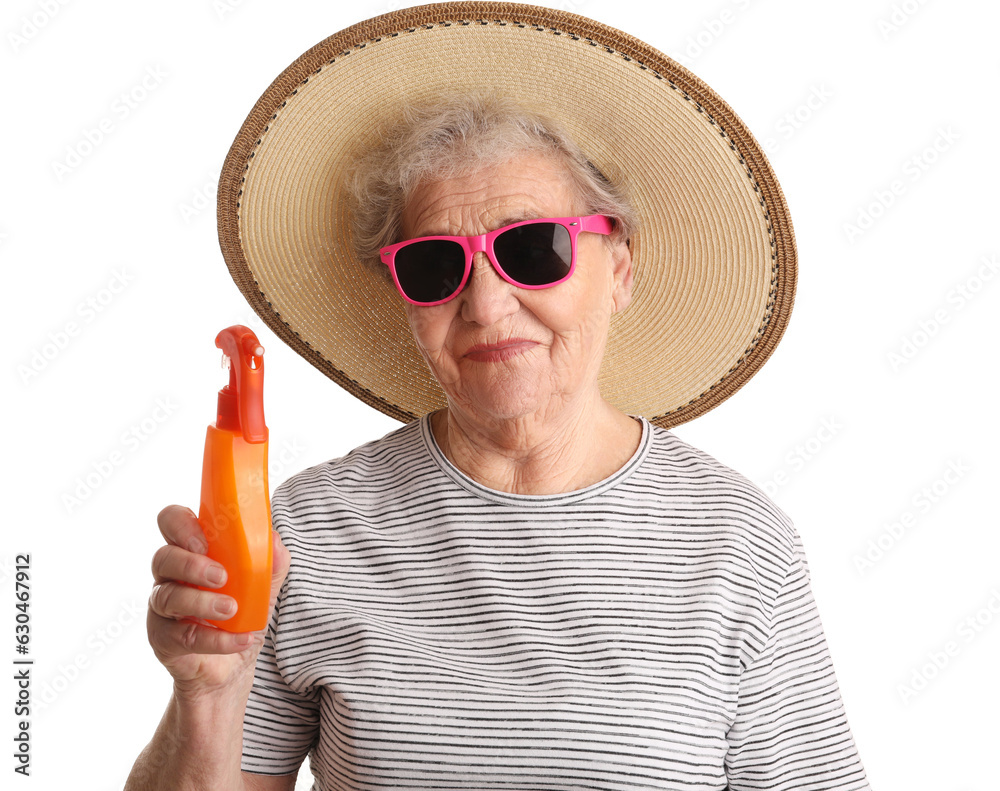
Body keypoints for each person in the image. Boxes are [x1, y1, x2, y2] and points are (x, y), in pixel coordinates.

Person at [126, 4, 869, 790]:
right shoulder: (302, 538)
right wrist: (208, 692)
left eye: (530, 248)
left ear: (617, 265)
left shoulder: (739, 546)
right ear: (405, 296)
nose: (486, 305)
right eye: (435, 265)